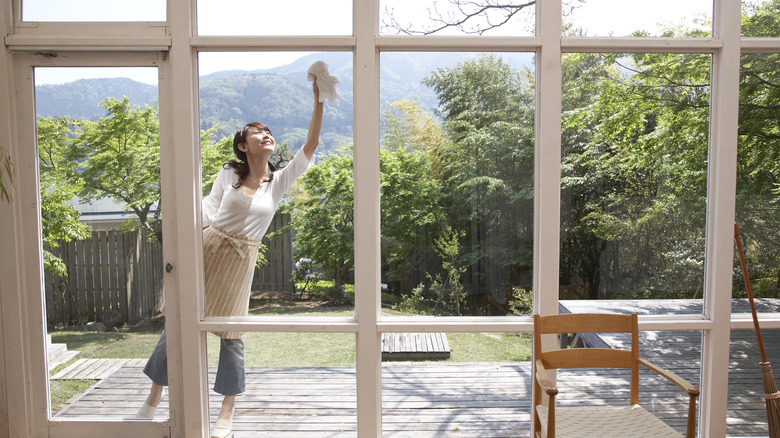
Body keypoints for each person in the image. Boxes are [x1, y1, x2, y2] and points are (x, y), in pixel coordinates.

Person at [137, 75, 324, 438]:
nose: (266, 135)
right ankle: (154, 396)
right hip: (209, 249)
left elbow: (311, 145)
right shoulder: (228, 174)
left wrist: (318, 100)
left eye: (268, 132)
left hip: (241, 262)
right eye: (258, 132)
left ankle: (227, 409)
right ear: (243, 146)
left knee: (233, 335)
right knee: (176, 323)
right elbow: (207, 209)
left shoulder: (280, 181)